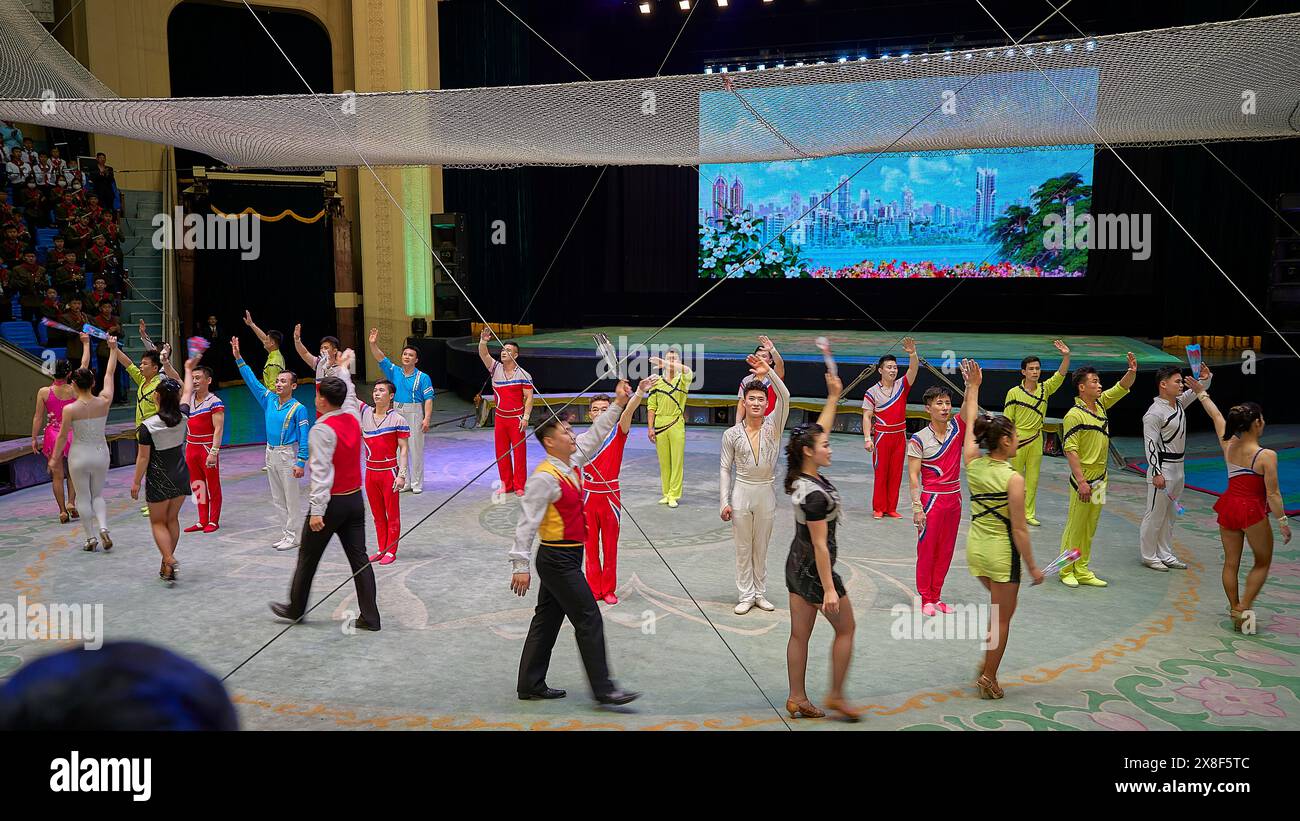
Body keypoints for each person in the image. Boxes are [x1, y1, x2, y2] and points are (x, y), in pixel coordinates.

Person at [509, 379, 651, 706]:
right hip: (556, 560)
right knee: (588, 616)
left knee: (546, 620)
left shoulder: (572, 461)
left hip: (569, 558)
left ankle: (529, 683)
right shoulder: (544, 477)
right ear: (548, 441)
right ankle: (604, 689)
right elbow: (526, 524)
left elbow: (598, 433)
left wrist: (618, 403)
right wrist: (520, 565)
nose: (572, 436)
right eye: (564, 432)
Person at [960, 361, 1045, 699]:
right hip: (1001, 555)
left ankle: (985, 666)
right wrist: (1033, 567)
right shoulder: (1014, 478)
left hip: (975, 550)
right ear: (1007, 441)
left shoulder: (973, 463)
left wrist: (974, 387)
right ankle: (989, 676)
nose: (1019, 441)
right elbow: (1020, 531)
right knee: (1003, 619)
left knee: (999, 612)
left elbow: (969, 425)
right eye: (1016, 437)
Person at [271, 376, 381, 632]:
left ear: (322, 399)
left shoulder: (321, 429)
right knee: (360, 559)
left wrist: (317, 511)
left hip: (331, 503)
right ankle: (371, 617)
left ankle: (296, 608)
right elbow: (351, 395)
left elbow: (321, 473)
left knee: (308, 556)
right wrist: (344, 368)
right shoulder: (353, 418)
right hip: (355, 499)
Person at [783, 367, 859, 721]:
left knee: (800, 635)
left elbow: (817, 432)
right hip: (814, 570)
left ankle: (797, 697)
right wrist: (829, 589)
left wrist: (832, 398)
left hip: (794, 567)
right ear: (809, 452)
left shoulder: (801, 475)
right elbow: (820, 547)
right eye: (824, 445)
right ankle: (836, 695)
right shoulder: (812, 495)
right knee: (846, 628)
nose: (829, 446)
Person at [1188, 388, 1292, 632]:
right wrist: (1283, 521)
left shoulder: (1229, 444)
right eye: (1262, 419)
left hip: (1229, 506)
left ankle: (1235, 606)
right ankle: (1244, 605)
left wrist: (1202, 393)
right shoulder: (1266, 456)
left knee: (1231, 563)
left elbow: (1216, 416)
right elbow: (1273, 494)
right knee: (1262, 562)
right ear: (1257, 423)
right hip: (1252, 510)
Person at [1057, 355, 1138, 588]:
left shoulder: (1101, 404)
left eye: (1099, 381)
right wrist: (1081, 481)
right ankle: (1066, 569)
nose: (1099, 385)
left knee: (1090, 526)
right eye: (1094, 381)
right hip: (1084, 480)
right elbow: (1070, 450)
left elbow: (1122, 387)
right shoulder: (1074, 415)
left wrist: (1131, 371)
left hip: (1102, 479)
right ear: (1082, 387)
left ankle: (1082, 568)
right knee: (1075, 526)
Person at [906, 367, 981, 616]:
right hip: (932, 501)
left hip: (954, 499)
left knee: (946, 550)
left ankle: (937, 596)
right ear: (928, 408)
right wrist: (917, 507)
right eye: (939, 403)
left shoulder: (956, 429)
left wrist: (973, 385)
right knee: (927, 551)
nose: (945, 408)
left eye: (948, 403)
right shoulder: (918, 439)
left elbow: (970, 410)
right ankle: (925, 597)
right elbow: (914, 476)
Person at [722, 352, 791, 615]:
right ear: (744, 401)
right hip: (741, 492)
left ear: (765, 404)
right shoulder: (732, 434)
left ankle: (759, 594)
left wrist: (769, 372)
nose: (756, 403)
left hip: (766, 492)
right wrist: (724, 501)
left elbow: (785, 396)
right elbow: (724, 469)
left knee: (761, 547)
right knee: (743, 548)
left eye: (761, 399)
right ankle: (745, 594)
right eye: (751, 398)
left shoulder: (774, 425)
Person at [232, 336, 310, 550]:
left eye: (283, 381)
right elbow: (252, 382)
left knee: (291, 498)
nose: (278, 384)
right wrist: (239, 358)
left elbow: (304, 436)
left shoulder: (298, 408)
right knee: (277, 497)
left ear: (293, 385)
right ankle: (286, 534)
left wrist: (301, 462)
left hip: (287, 455)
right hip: (270, 453)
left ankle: (295, 536)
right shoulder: (269, 400)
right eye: (277, 381)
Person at [581, 381, 651, 605]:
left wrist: (639, 392)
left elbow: (629, 410)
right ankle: (593, 588)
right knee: (590, 548)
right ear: (589, 414)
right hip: (587, 497)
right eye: (595, 410)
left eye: (605, 409)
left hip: (610, 496)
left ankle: (608, 589)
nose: (600, 413)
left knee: (610, 547)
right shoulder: (581, 439)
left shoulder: (618, 432)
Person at [1138, 364, 1213, 571]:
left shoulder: (1178, 403)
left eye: (1181, 382)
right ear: (1163, 384)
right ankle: (1149, 555)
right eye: (1177, 381)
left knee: (1170, 515)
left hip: (1179, 467)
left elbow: (1197, 391)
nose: (1181, 385)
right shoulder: (1154, 413)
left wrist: (1206, 378)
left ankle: (1164, 553)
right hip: (1163, 468)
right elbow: (1150, 443)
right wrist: (1156, 472)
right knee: (1155, 514)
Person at [49, 337, 118, 552]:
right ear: (93, 383)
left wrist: (54, 458)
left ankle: (90, 538)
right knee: (97, 495)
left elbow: (61, 437)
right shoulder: (104, 401)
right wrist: (113, 349)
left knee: (83, 497)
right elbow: (109, 373)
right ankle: (104, 527)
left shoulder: (70, 409)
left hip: (78, 455)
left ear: (74, 385)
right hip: (100, 453)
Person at [131, 369, 193, 583]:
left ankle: (169, 558)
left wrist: (136, 482)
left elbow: (143, 458)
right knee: (172, 519)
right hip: (181, 474)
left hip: (159, 478)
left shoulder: (147, 427)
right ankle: (166, 564)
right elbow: (187, 392)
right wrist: (187, 368)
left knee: (158, 522)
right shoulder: (184, 416)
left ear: (156, 397)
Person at [1003, 340, 1071, 526]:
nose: (1035, 371)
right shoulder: (1013, 393)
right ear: (1023, 372)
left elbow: (1061, 374)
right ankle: (1010, 513)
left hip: (1036, 438)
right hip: (1018, 439)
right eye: (1031, 369)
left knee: (1032, 479)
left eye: (1037, 368)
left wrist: (1066, 356)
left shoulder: (1045, 389)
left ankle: (1028, 513)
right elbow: (1008, 421)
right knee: (1014, 478)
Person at [369, 328, 434, 493]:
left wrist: (426, 418)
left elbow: (428, 399)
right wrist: (372, 343)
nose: (407, 357)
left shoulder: (423, 377)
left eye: (411, 355)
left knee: (415, 447)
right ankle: (403, 481)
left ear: (416, 359)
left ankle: (417, 483)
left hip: (414, 412)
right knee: (398, 448)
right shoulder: (395, 372)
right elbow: (381, 358)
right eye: (405, 354)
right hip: (397, 411)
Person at [862, 337, 920, 519]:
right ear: (880, 370)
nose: (893, 370)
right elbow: (867, 416)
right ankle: (878, 508)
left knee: (895, 473)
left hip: (899, 436)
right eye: (889, 367)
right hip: (882, 437)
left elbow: (913, 369)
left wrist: (913, 354)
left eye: (895, 367)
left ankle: (891, 508)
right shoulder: (872, 392)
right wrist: (867, 438)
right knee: (882, 473)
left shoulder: (902, 386)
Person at [31, 346, 89, 523]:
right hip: (72, 433)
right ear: (69, 374)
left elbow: (38, 417)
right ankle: (72, 502)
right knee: (73, 473)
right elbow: (85, 365)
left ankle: (63, 511)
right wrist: (85, 345)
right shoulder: (75, 389)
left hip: (53, 435)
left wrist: (34, 438)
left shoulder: (44, 392)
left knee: (57, 475)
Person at [478, 327, 534, 496]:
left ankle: (519, 485)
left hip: (517, 419)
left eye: (508, 350)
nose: (503, 352)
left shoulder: (524, 374)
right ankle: (506, 484)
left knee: (519, 453)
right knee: (501, 453)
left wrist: (526, 417)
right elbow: (484, 355)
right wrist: (483, 340)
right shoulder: (495, 368)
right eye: (503, 349)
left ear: (515, 355)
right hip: (501, 418)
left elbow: (529, 398)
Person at [361, 380, 409, 565]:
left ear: (391, 396)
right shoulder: (364, 413)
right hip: (370, 473)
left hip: (389, 472)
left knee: (392, 513)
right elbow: (348, 393)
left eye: (381, 390)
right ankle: (381, 548)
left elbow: (404, 449)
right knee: (377, 514)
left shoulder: (398, 419)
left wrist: (402, 475)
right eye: (375, 390)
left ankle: (391, 550)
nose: (377, 393)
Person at [646, 349, 694, 507]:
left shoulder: (683, 379)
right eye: (668, 358)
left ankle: (674, 494)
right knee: (664, 462)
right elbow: (651, 406)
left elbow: (688, 370)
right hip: (660, 424)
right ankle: (666, 493)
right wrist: (650, 428)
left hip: (676, 423)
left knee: (677, 460)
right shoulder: (656, 382)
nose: (671, 361)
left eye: (674, 358)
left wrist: (665, 363)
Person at [182, 364, 225, 534]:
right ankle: (202, 520)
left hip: (207, 449)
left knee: (212, 485)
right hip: (191, 448)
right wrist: (166, 363)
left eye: (198, 378)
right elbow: (176, 378)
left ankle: (213, 520)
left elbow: (218, 429)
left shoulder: (215, 402)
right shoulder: (189, 398)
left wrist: (214, 452)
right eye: (193, 378)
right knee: (198, 486)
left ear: (209, 380)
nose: (195, 381)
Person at [293, 324, 360, 418]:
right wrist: (297, 340)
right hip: (321, 409)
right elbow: (304, 353)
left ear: (335, 351)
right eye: (321, 348)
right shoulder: (318, 363)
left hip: (338, 409)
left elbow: (349, 389)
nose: (323, 350)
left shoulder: (343, 367)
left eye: (326, 348)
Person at [734, 336, 785, 419]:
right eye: (758, 356)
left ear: (770, 361)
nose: (760, 359)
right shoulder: (746, 380)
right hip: (750, 423)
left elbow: (779, 364)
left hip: (770, 423)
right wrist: (737, 425)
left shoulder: (774, 377)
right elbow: (741, 404)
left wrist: (772, 350)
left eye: (764, 356)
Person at [242, 310, 285, 389]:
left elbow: (274, 390)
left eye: (267, 339)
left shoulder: (273, 364)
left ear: (272, 343)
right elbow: (263, 337)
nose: (264, 341)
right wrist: (251, 324)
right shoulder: (276, 352)